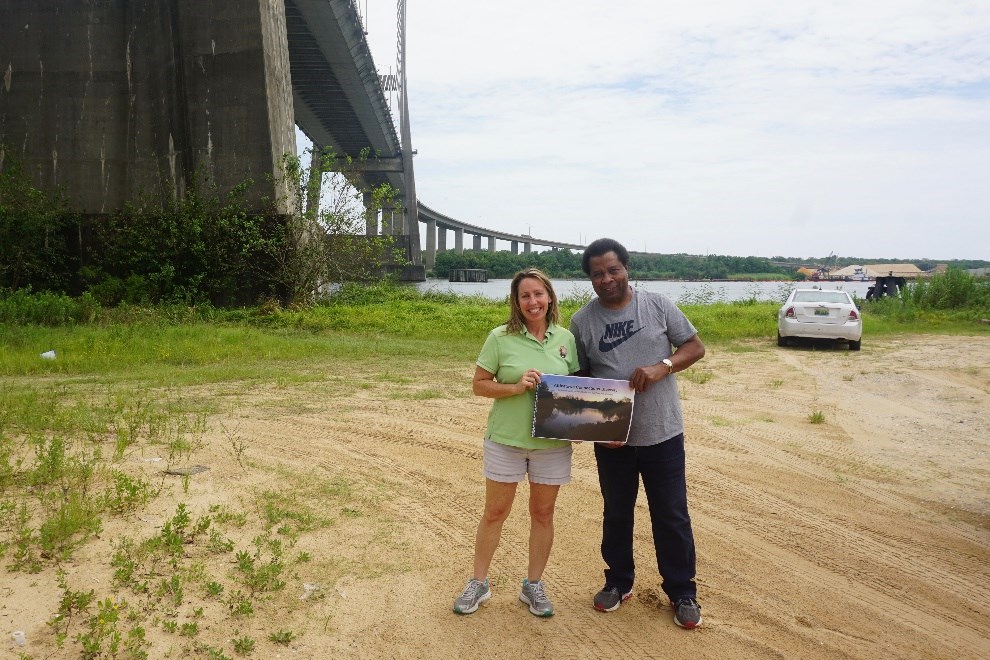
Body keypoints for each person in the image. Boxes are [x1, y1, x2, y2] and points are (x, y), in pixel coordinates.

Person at [569, 238, 707, 629]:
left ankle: (682, 591)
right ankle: (617, 582)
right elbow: (581, 378)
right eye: (598, 274)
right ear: (590, 279)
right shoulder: (582, 321)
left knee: (672, 514)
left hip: (662, 432)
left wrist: (663, 365)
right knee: (616, 512)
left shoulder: (658, 304)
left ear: (627, 268)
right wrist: (594, 426)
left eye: (613, 270)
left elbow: (695, 347)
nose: (607, 279)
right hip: (614, 439)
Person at [453, 268, 580, 618]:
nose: (533, 302)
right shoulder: (499, 338)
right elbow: (479, 384)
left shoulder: (566, 339)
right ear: (516, 301)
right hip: (506, 441)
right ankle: (479, 582)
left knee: (543, 513)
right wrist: (515, 387)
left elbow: (577, 391)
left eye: (538, 294)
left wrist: (584, 423)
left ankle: (533, 585)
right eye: (525, 296)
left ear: (550, 297)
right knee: (495, 512)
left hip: (552, 446)